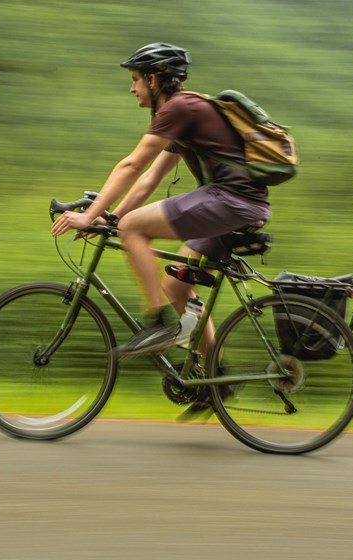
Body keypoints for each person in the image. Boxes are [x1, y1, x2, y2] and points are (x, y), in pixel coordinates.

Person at [51, 43, 270, 418]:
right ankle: (217, 379)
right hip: (236, 205)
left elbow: (132, 164)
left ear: (154, 79)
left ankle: (156, 326)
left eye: (136, 79)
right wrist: (112, 217)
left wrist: (92, 217)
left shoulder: (178, 109)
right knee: (175, 286)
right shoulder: (186, 115)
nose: (132, 88)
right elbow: (151, 178)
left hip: (229, 201)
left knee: (136, 229)